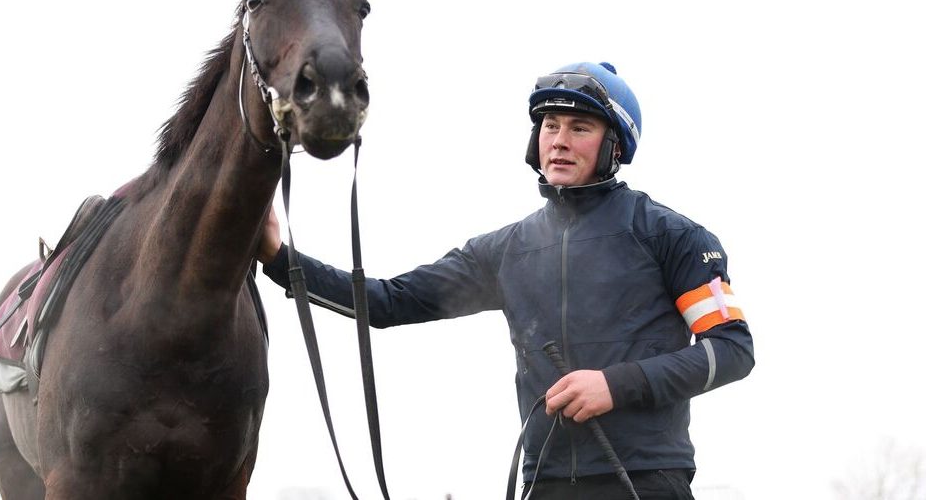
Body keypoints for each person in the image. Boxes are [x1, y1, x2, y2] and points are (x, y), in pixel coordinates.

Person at [256, 61, 755, 499]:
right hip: (544, 482)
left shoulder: (672, 235)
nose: (559, 140)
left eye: (580, 127)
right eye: (549, 125)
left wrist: (615, 385)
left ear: (614, 146)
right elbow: (388, 302)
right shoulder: (506, 251)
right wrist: (281, 258)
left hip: (646, 480)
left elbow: (733, 349)